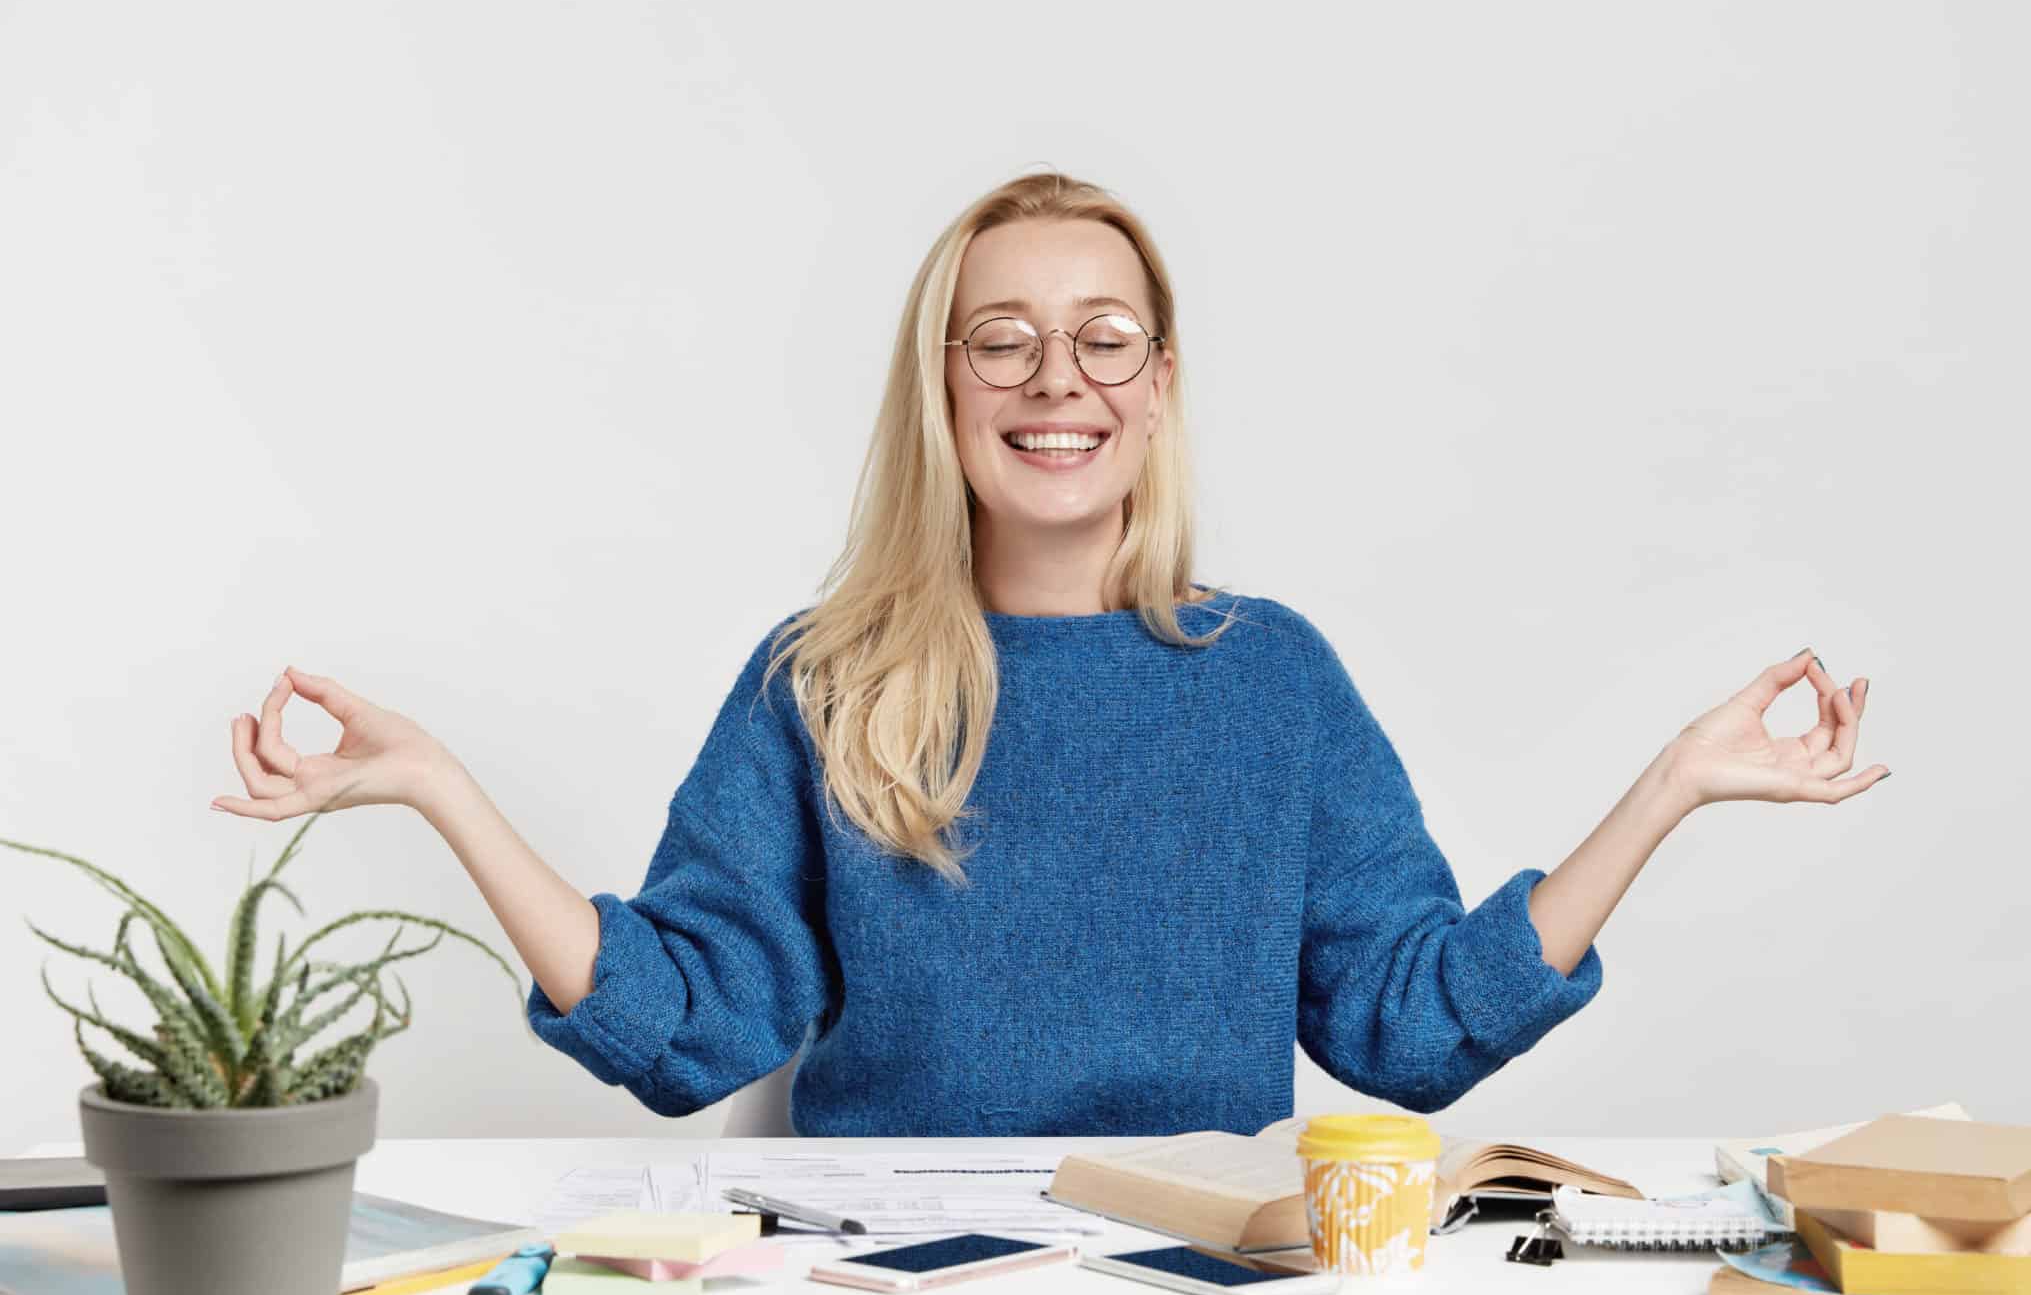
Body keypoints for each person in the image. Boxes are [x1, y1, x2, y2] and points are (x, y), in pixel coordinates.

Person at [211, 171, 1890, 1136]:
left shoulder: (1272, 678)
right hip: (880, 1281)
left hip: (1206, 1277)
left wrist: (1671, 786)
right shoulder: (829, 677)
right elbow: (691, 1028)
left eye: (1103, 340)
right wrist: (436, 784)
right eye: (1001, 339)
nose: (1054, 381)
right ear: (942, 392)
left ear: (1158, 390)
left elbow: (1407, 1025)